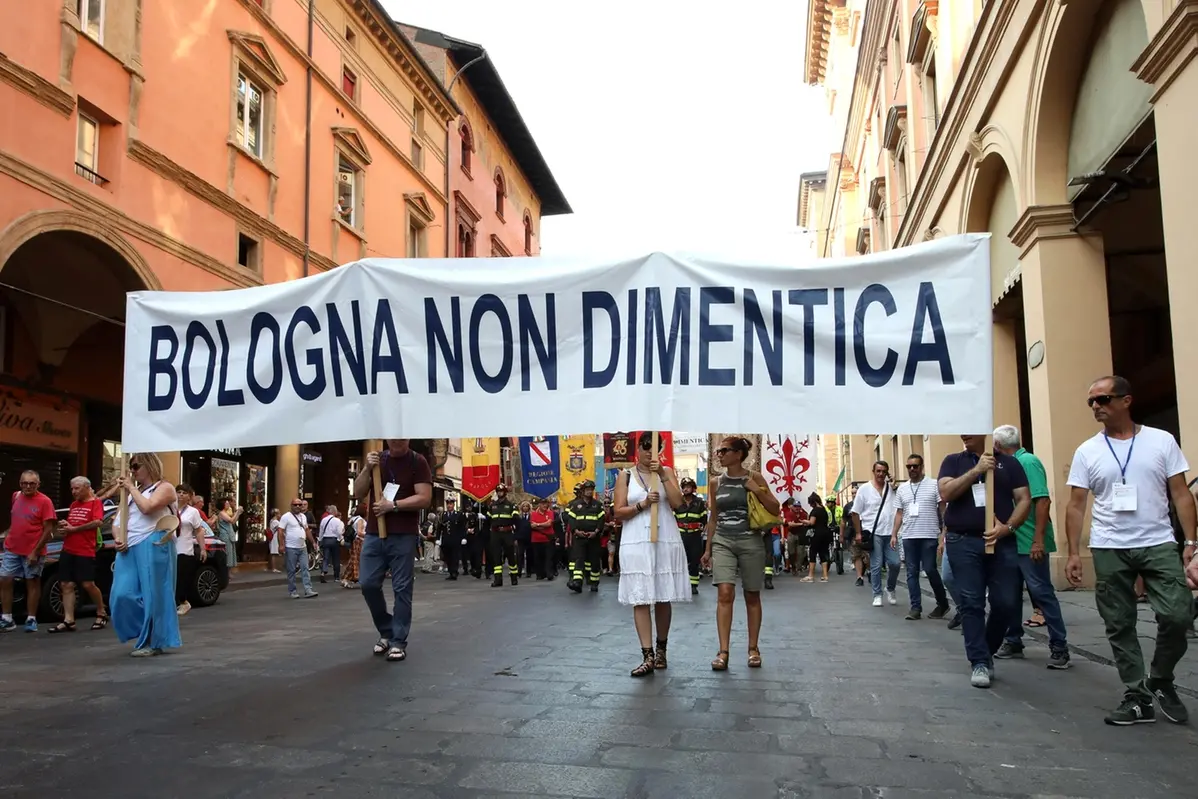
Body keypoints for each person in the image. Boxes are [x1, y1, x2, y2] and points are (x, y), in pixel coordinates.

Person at [1065, 376, 1196, 725]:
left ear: (1126, 401)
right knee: (1119, 624)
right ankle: (1137, 696)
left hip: (1158, 542)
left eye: (1103, 399)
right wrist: (1075, 553)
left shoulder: (1161, 441)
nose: (1096, 407)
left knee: (1178, 614)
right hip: (1109, 546)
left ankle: (1161, 677)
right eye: (1091, 401)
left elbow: (1181, 493)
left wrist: (1191, 542)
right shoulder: (1087, 451)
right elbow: (1076, 505)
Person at [937, 435, 1031, 688]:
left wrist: (1008, 527)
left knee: (1006, 602)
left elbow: (1024, 499)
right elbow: (946, 492)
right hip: (963, 541)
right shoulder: (953, 461)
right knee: (971, 602)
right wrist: (976, 471)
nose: (964, 434)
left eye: (971, 428)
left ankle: (986, 649)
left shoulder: (1009, 464)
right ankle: (978, 660)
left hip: (1002, 541)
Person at [991, 425, 1070, 669]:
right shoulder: (1007, 466)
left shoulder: (1028, 462)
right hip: (1012, 540)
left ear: (999, 446)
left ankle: (1059, 646)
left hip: (1030, 542)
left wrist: (1038, 539)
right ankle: (1013, 640)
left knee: (1041, 592)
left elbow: (1042, 500)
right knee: (1011, 594)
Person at [615, 431, 691, 676]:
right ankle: (646, 653)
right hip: (636, 539)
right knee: (640, 597)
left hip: (664, 537)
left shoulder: (667, 472)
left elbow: (679, 503)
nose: (650, 453)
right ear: (638, 448)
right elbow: (618, 511)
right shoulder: (625, 475)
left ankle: (661, 650)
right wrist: (643, 504)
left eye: (654, 448)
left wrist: (662, 475)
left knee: (662, 596)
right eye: (646, 447)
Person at [701, 436, 781, 670]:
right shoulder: (716, 482)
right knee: (725, 593)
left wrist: (757, 490)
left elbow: (775, 508)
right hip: (723, 540)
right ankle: (723, 651)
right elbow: (713, 517)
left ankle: (753, 649)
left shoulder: (754, 477)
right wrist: (708, 548)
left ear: (738, 454)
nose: (720, 455)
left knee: (752, 595)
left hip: (750, 541)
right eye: (718, 451)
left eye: (724, 451)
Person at [353, 439, 432, 662]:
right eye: (393, 435)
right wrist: (367, 468)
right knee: (367, 584)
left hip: (403, 535)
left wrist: (394, 505)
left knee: (402, 588)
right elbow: (359, 492)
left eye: (402, 435)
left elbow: (424, 498)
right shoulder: (377, 460)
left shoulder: (418, 461)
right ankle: (386, 630)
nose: (397, 440)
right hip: (373, 534)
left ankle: (398, 640)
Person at [110, 454, 181, 656]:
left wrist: (131, 488)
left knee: (155, 594)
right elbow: (116, 522)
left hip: (153, 541)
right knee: (121, 594)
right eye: (131, 466)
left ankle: (153, 640)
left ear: (149, 465)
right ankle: (141, 630)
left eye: (135, 466)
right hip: (129, 546)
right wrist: (118, 538)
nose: (132, 470)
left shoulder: (164, 487)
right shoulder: (133, 493)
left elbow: (148, 508)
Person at [890, 454, 950, 620]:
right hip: (909, 536)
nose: (912, 469)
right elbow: (900, 513)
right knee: (911, 572)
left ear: (922, 467)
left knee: (930, 569)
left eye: (915, 466)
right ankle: (915, 608)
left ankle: (942, 603)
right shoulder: (902, 489)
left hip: (929, 535)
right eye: (909, 466)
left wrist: (943, 534)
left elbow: (943, 510)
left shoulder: (933, 485)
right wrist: (894, 533)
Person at [48, 476, 109, 633]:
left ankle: (101, 611)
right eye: (72, 488)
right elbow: (72, 525)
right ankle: (69, 620)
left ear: (87, 488)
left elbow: (98, 522)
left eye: (77, 488)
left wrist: (75, 529)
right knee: (66, 584)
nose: (74, 492)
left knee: (87, 583)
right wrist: (65, 526)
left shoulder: (95, 503)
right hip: (68, 548)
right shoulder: (74, 505)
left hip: (85, 549)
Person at [0, 470, 57, 632]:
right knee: (5, 579)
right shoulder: (16, 496)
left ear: (38, 484)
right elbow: (16, 519)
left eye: (32, 483)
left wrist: (35, 551)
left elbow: (48, 530)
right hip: (12, 548)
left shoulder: (45, 501)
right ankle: (7, 618)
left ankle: (31, 618)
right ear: (20, 483)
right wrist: (7, 535)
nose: (28, 486)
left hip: (32, 550)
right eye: (24, 483)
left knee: (32, 582)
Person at [851, 461, 900, 607]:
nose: (880, 474)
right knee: (876, 565)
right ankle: (877, 594)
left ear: (887, 473)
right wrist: (858, 532)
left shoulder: (891, 489)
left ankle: (890, 588)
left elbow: (900, 505)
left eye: (884, 471)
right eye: (878, 471)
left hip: (890, 531)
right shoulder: (864, 489)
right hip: (874, 532)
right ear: (873, 471)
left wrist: (894, 484)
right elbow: (855, 512)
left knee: (895, 563)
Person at [173, 484, 207, 616]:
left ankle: (183, 601)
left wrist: (203, 549)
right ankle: (173, 604)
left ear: (189, 496)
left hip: (184, 548)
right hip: (170, 547)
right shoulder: (170, 508)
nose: (181, 495)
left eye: (184, 493)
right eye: (179, 492)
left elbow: (198, 531)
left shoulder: (193, 512)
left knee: (181, 578)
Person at [567, 480, 606, 593]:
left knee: (594, 561)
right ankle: (577, 582)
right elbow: (571, 519)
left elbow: (601, 520)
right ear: (583, 491)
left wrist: (596, 531)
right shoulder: (575, 505)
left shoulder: (598, 505)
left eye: (591, 490)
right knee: (579, 559)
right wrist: (576, 531)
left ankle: (594, 583)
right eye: (587, 490)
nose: (589, 492)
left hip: (593, 537)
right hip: (579, 537)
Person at [278, 499, 319, 599]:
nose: (297, 506)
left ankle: (308, 589)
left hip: (302, 547)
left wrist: (313, 542)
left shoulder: (303, 517)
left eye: (299, 504)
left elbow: (306, 530)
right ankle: (293, 590)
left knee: (305, 568)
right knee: (291, 570)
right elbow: (280, 531)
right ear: (291, 505)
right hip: (291, 547)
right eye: (295, 504)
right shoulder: (286, 517)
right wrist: (281, 545)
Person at [673, 477, 707, 594]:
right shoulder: (677, 502)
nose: (686, 489)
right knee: (680, 560)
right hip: (680, 535)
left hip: (695, 536)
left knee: (694, 560)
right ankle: (679, 584)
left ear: (693, 488)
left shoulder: (699, 503)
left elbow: (704, 520)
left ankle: (693, 585)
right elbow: (673, 518)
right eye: (684, 487)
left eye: (688, 487)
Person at [485, 484, 519, 587]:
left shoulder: (511, 505)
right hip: (495, 533)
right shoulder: (492, 505)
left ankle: (514, 577)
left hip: (507, 533)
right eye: (498, 491)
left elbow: (516, 519)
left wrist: (515, 533)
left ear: (505, 492)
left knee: (510, 556)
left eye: (502, 491)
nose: (500, 493)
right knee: (496, 556)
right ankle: (498, 580)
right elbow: (488, 520)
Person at [802, 494, 833, 583]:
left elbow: (812, 522)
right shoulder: (824, 510)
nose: (810, 505)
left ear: (814, 502)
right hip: (825, 534)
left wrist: (805, 521)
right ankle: (825, 576)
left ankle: (811, 575)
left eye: (811, 503)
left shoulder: (815, 511)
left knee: (813, 553)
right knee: (823, 553)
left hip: (816, 534)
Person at [531, 498, 557, 580]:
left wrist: (538, 524)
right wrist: (542, 525)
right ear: (539, 504)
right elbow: (532, 525)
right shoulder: (533, 514)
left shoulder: (550, 513)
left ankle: (549, 573)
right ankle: (540, 574)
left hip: (548, 539)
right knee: (538, 557)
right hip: (536, 539)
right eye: (543, 504)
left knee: (549, 557)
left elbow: (549, 524)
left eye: (546, 504)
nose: (545, 505)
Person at [317, 505, 345, 584]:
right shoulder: (337, 521)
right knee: (336, 558)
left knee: (326, 557)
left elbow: (321, 531)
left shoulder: (324, 520)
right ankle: (336, 577)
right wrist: (340, 539)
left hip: (326, 539)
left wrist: (320, 540)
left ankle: (323, 572)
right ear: (334, 512)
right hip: (334, 540)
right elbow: (339, 532)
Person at [215, 498, 242, 575]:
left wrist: (238, 513)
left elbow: (233, 520)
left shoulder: (225, 513)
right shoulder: (222, 513)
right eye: (226, 503)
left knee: (230, 553)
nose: (228, 504)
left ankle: (228, 572)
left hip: (229, 534)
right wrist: (237, 512)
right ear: (223, 505)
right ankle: (226, 573)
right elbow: (231, 520)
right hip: (225, 535)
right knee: (227, 553)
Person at [267, 508, 282, 573]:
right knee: (274, 553)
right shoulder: (276, 522)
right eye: (279, 513)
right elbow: (281, 529)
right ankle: (274, 568)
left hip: (272, 538)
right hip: (275, 538)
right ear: (276, 514)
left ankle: (270, 567)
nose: (280, 515)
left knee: (272, 553)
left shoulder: (271, 520)